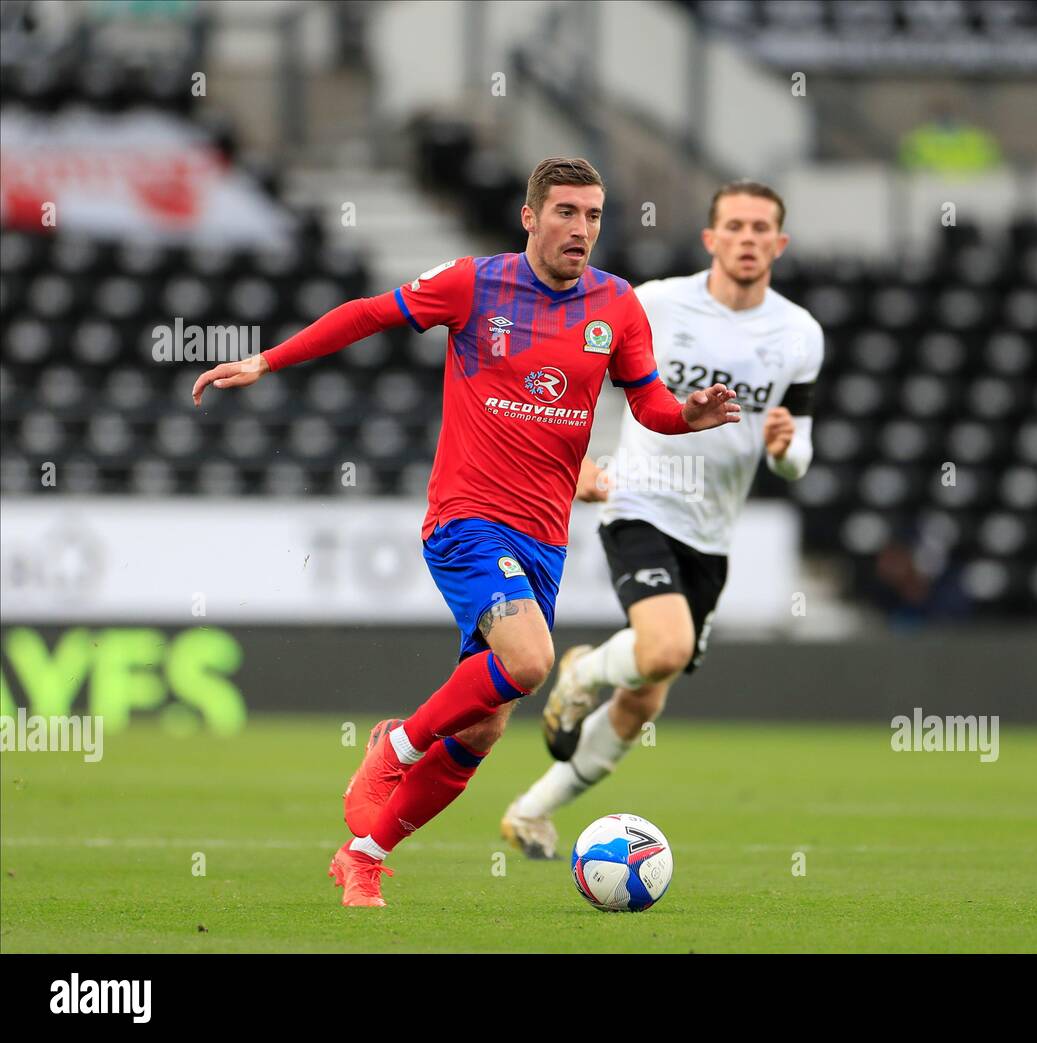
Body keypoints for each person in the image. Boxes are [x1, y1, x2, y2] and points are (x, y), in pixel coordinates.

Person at [191, 157, 741, 905]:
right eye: (566, 213)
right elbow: (369, 313)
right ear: (530, 216)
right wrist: (268, 359)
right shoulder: (476, 285)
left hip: (543, 541)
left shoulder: (616, 305)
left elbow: (649, 405)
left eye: (593, 216)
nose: (581, 229)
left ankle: (365, 853)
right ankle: (399, 743)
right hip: (467, 518)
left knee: (482, 731)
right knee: (530, 659)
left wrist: (688, 417)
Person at [499, 180, 824, 858]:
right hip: (640, 499)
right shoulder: (652, 303)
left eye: (761, 228)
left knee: (645, 700)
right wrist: (578, 462)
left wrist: (790, 451)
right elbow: (569, 381)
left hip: (713, 532)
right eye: (734, 226)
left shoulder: (799, 334)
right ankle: (583, 672)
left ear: (779, 243)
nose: (747, 238)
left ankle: (530, 811)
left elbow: (798, 456)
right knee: (665, 648)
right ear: (711, 238)